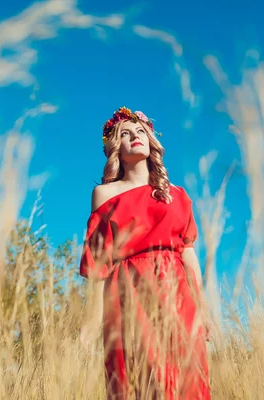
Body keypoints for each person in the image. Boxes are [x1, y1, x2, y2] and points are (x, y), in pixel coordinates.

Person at [78, 106, 211, 399]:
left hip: (176, 293)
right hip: (128, 294)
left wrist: (202, 308)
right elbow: (99, 262)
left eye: (140, 131)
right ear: (115, 148)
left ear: (151, 141)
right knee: (141, 378)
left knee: (185, 379)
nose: (134, 136)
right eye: (125, 134)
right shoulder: (105, 194)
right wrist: (92, 320)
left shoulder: (177, 194)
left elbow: (188, 254)